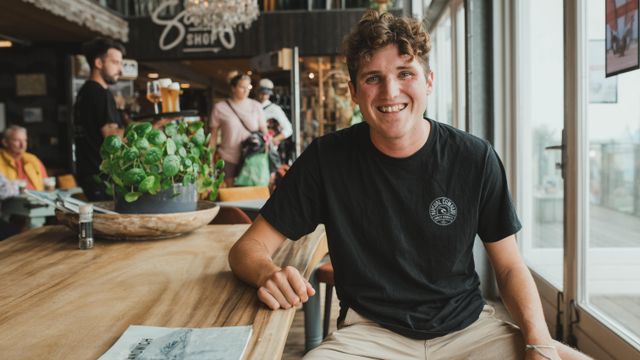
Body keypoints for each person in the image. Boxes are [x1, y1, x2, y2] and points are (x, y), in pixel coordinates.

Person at [228, 11, 591, 360]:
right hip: (368, 336)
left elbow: (510, 266)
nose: (390, 91)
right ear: (354, 91)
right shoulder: (327, 159)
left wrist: (538, 340)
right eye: (373, 78)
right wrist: (270, 274)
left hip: (469, 331)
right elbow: (247, 250)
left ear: (428, 81)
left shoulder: (474, 157)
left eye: (405, 73)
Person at [73, 37, 125, 201]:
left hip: (87, 173)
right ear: (99, 63)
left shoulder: (84, 92)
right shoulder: (101, 94)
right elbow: (113, 139)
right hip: (102, 176)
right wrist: (148, 127)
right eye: (115, 63)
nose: (121, 69)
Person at [208, 73, 268, 186]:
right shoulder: (220, 108)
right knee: (231, 196)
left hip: (251, 157)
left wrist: (266, 149)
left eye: (248, 87)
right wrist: (210, 159)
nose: (246, 90)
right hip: (228, 158)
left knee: (250, 195)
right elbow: (213, 136)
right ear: (233, 88)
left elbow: (264, 131)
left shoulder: (256, 106)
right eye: (242, 87)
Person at [0, 125, 48, 191]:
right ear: (5, 142)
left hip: (38, 199)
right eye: (17, 140)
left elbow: (46, 183)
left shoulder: (33, 159)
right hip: (10, 200)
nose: (22, 145)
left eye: (25, 140)